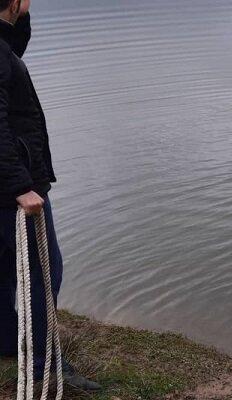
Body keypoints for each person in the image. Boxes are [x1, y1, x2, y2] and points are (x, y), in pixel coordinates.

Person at [0, 0, 100, 390]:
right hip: (12, 190)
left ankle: (8, 338)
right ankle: (45, 366)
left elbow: (14, 49)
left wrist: (18, 16)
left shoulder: (4, 49)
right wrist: (21, 186)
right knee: (45, 273)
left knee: (5, 267)